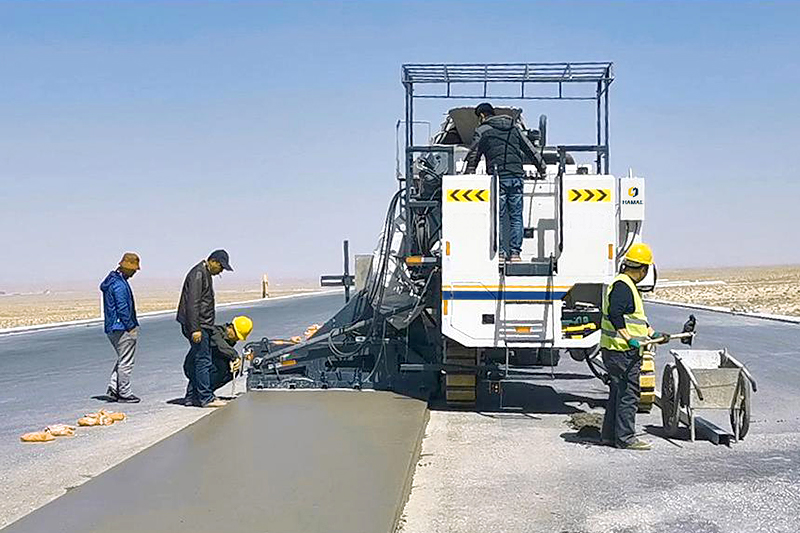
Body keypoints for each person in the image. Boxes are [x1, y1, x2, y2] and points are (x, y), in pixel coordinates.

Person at [600, 243, 665, 450]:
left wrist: (652, 333)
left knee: (618, 392)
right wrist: (629, 339)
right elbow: (616, 314)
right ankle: (626, 438)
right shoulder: (623, 286)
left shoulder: (624, 285)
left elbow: (634, 318)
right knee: (629, 394)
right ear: (644, 269)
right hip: (622, 351)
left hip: (615, 350)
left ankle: (609, 436)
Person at [464, 102, 546, 262]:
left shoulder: (483, 130)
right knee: (516, 216)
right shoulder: (514, 128)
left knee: (499, 217)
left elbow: (474, 152)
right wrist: (542, 168)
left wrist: (470, 171)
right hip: (516, 176)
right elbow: (530, 149)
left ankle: (500, 254)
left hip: (498, 178)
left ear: (482, 116)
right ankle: (515, 254)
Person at [176, 249, 233, 408]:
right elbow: (193, 303)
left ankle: (191, 397)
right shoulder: (198, 274)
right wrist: (195, 328)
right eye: (221, 267)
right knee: (203, 360)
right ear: (213, 261)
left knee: (198, 359)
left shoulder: (204, 273)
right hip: (199, 326)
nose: (221, 270)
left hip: (202, 325)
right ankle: (206, 398)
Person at [100, 252, 141, 403]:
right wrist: (130, 326)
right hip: (121, 327)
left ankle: (113, 387)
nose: (134, 273)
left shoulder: (112, 281)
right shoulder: (119, 285)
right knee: (126, 361)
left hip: (112, 326)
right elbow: (122, 307)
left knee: (123, 358)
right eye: (134, 270)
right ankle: (124, 392)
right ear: (128, 268)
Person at [193, 316, 254, 399]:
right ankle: (199, 394)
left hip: (206, 366)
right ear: (231, 327)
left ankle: (202, 393)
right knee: (218, 366)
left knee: (231, 370)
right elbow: (221, 345)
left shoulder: (229, 338)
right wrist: (235, 356)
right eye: (236, 336)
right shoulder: (215, 332)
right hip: (194, 366)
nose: (236, 339)